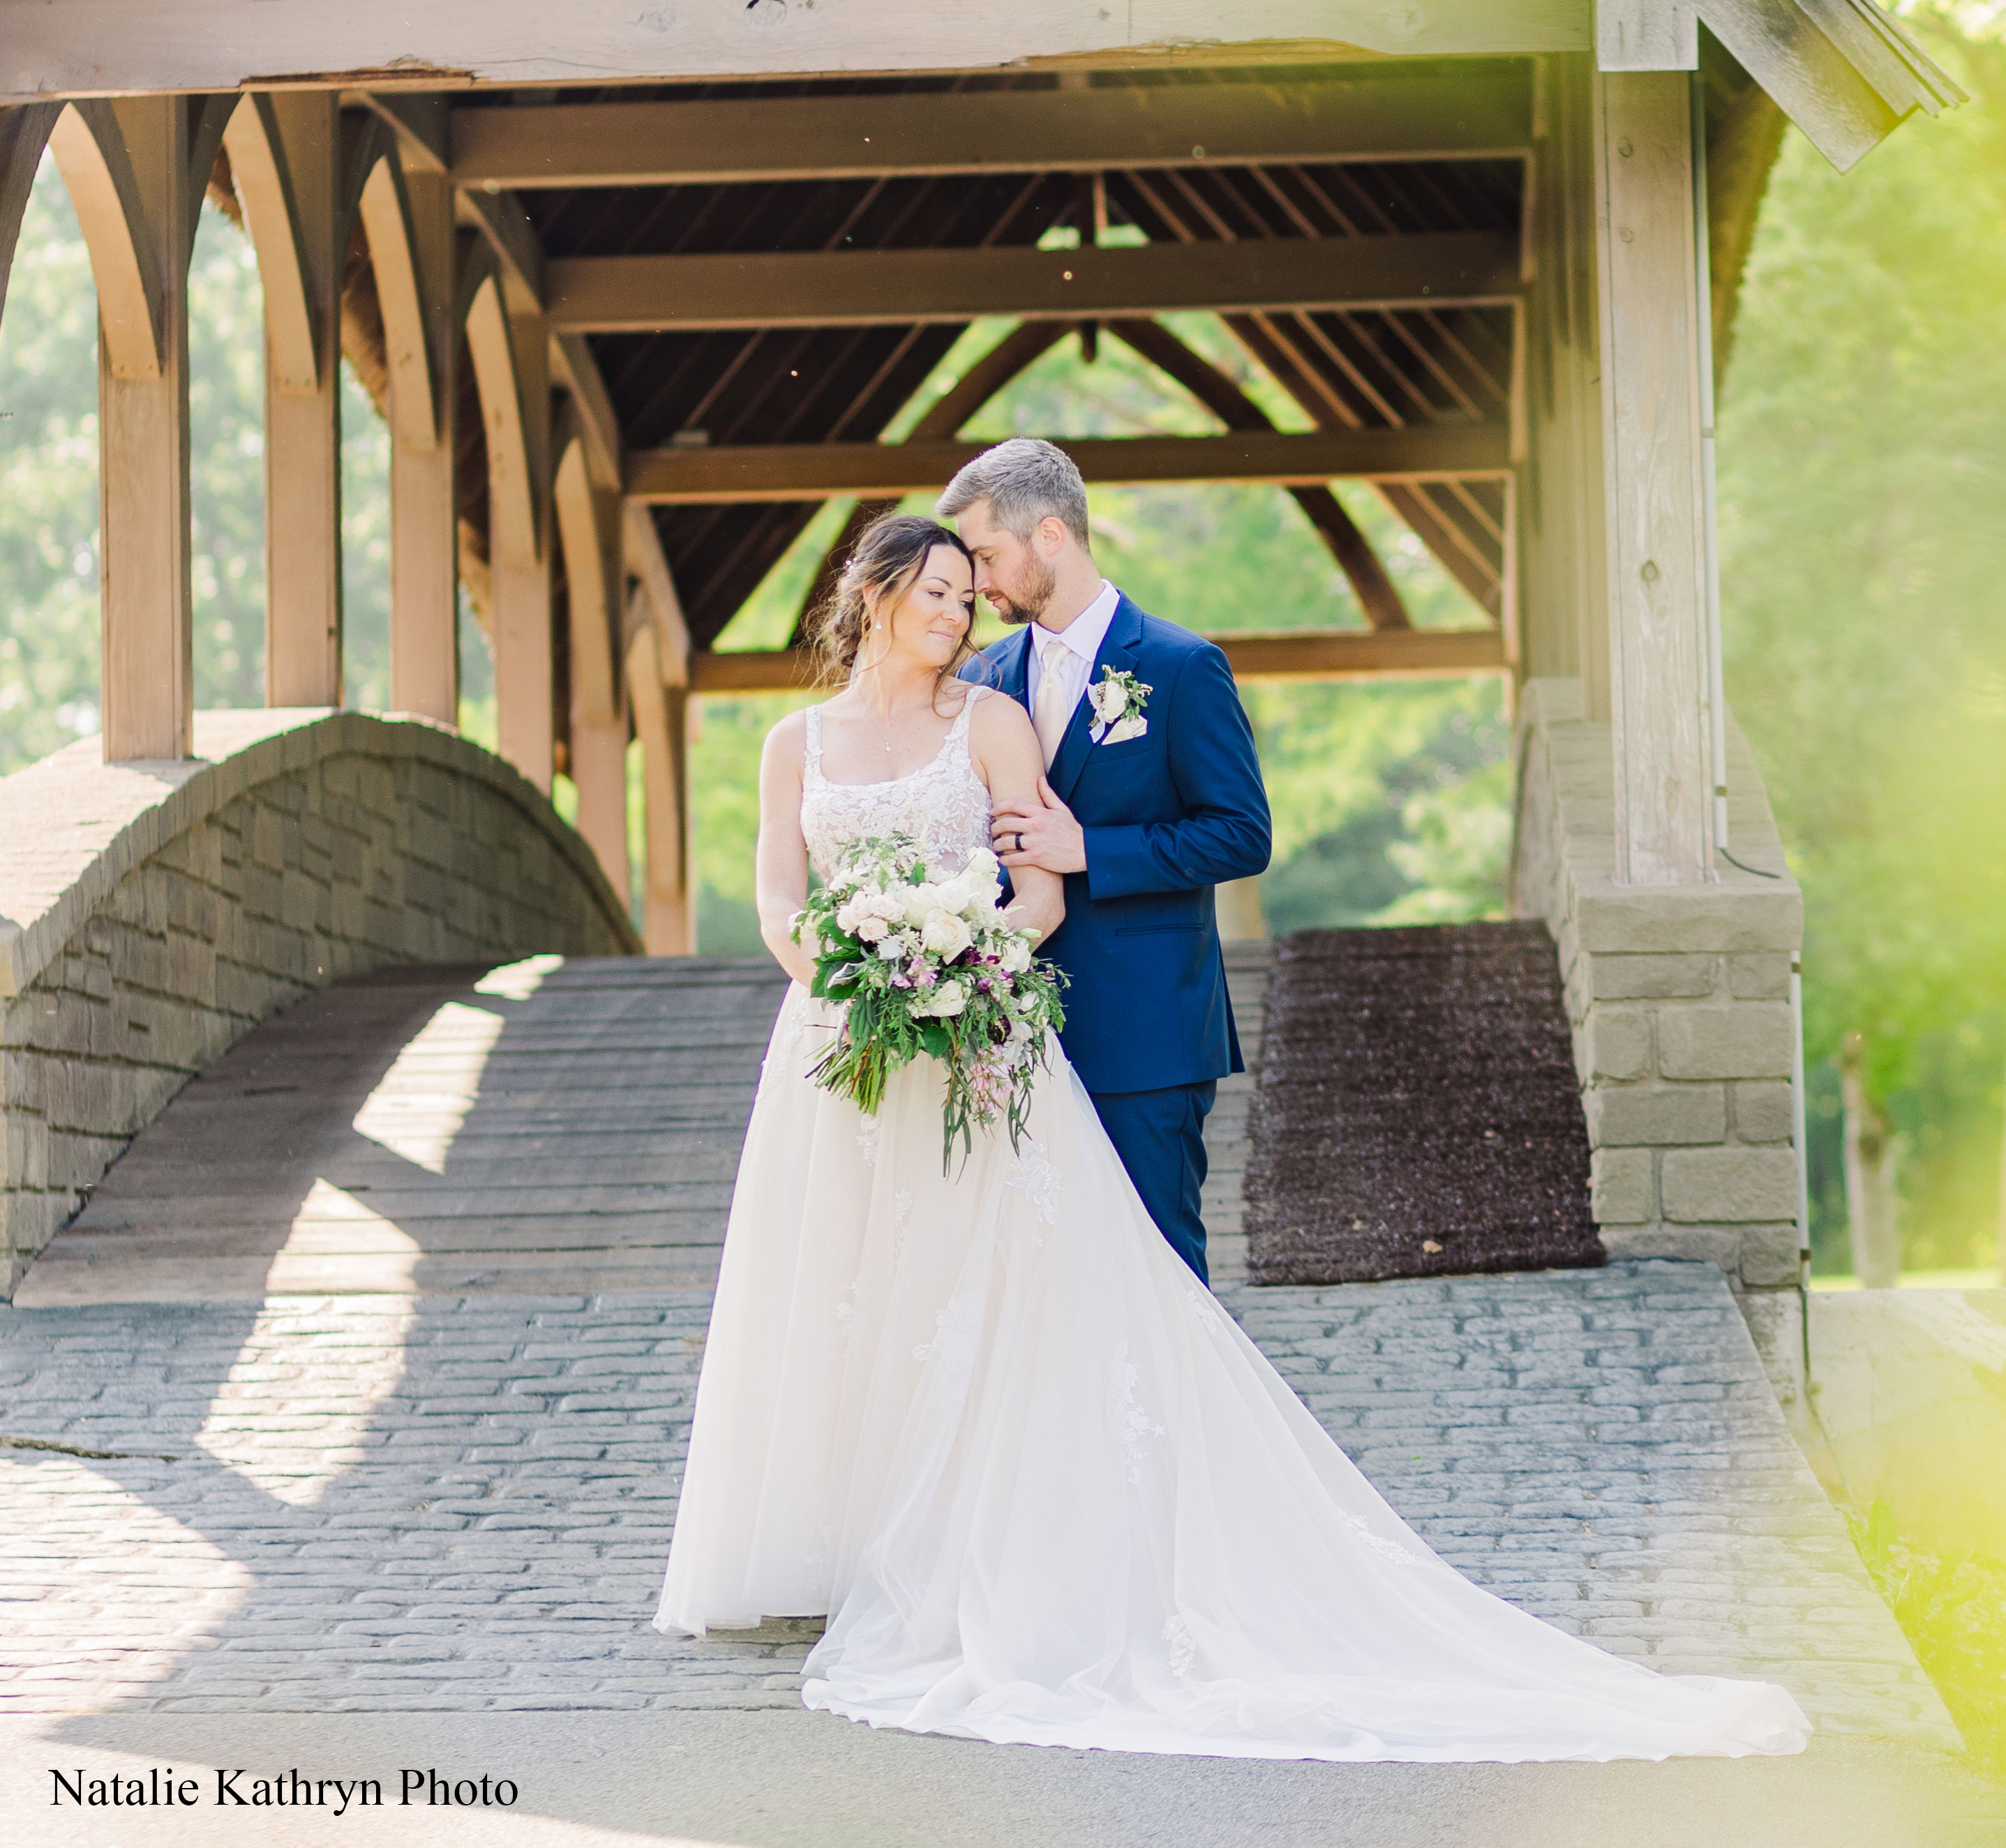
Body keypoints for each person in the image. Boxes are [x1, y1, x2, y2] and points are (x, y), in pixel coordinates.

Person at [654, 505, 1806, 1761]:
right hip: (840, 1048)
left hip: (973, 1030)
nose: (960, 606)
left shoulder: (996, 718)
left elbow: (1043, 889)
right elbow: (778, 898)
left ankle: (1069, 1545)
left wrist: (955, 967)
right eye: (936, 588)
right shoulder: (796, 741)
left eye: (967, 586)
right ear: (872, 594)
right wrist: (849, 975)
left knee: (1010, 1295)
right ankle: (843, 1541)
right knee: (850, 1285)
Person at [939, 437, 1268, 1284]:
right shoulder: (984, 678)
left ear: (1049, 535)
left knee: (1159, 1273)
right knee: (1039, 1280)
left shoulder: (1180, 666)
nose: (976, 583)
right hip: (1012, 1031)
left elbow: (1240, 832)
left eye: (986, 555)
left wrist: (1089, 850)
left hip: (1146, 1030)